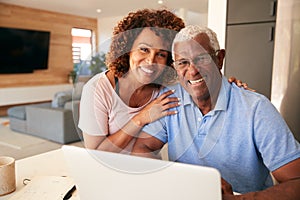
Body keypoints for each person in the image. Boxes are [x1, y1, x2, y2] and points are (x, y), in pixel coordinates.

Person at [132, 25, 300, 199]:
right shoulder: (170, 100)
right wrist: (176, 180)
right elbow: (142, 148)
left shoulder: (256, 109)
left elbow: (296, 181)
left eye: (201, 59)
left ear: (219, 59)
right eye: (183, 62)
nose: (192, 70)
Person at [79, 9, 247, 154]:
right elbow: (96, 153)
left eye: (161, 54)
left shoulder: (168, 87)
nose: (151, 60)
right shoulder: (97, 89)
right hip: (106, 172)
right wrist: (140, 118)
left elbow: (200, 83)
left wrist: (228, 85)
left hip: (147, 167)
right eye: (144, 49)